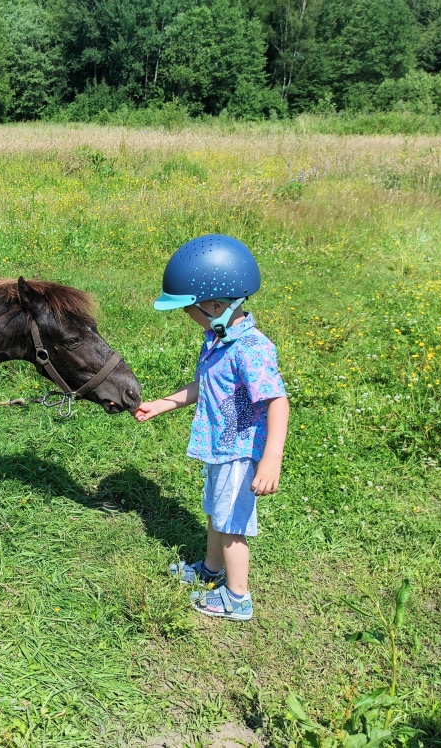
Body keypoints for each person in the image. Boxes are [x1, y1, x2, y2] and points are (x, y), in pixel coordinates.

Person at [134, 234, 289, 621]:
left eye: (191, 311)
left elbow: (277, 400)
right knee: (217, 514)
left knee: (233, 525)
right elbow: (206, 385)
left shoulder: (250, 348)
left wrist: (271, 459)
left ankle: (237, 599)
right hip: (220, 446)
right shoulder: (218, 340)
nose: (189, 319)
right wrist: (163, 404)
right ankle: (210, 570)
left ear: (216, 306)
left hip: (238, 450)